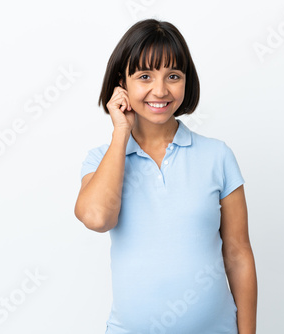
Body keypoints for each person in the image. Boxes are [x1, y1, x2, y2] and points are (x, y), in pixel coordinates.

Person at [74, 18, 257, 334]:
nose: (160, 90)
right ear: (122, 83)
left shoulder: (218, 156)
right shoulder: (101, 160)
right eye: (144, 76)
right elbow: (96, 218)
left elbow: (238, 254)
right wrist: (121, 132)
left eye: (173, 76)